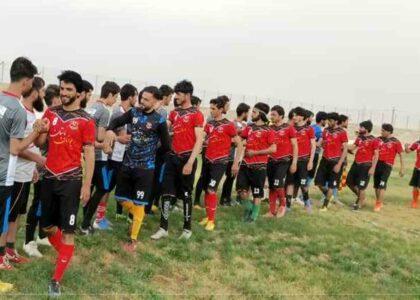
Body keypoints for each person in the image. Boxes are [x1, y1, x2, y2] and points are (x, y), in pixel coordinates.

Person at [36, 70, 95, 296]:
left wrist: (87, 185)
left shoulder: (86, 120)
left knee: (68, 231)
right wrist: (39, 129)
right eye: (62, 88)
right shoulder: (51, 113)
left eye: (69, 89)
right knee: (47, 228)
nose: (64, 93)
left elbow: (89, 154)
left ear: (79, 93)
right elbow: (43, 143)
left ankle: (56, 279)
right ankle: (66, 254)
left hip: (71, 181)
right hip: (49, 177)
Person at [103, 86, 170, 251]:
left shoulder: (159, 121)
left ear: (156, 101)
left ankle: (133, 239)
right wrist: (111, 131)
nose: (142, 102)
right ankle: (138, 217)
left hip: (145, 169)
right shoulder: (133, 113)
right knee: (119, 197)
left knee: (139, 203)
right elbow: (116, 121)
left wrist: (151, 153)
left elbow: (167, 145)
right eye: (141, 98)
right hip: (127, 164)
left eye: (147, 99)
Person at [0, 57, 45, 272]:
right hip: (8, 174)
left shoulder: (0, 100)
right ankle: (2, 258)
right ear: (27, 82)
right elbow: (16, 148)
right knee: (5, 217)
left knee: (10, 215)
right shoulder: (17, 110)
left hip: (9, 172)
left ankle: (7, 252)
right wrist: (36, 133)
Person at [151, 80, 204, 240]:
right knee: (166, 194)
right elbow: (164, 127)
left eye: (179, 94)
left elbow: (199, 140)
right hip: (172, 158)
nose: (176, 97)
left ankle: (187, 229)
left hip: (187, 159)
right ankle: (163, 228)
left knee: (186, 195)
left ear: (187, 95)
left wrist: (190, 162)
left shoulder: (197, 114)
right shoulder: (174, 113)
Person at [23, 84, 61, 258]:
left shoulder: (60, 117)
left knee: (47, 205)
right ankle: (28, 242)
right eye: (60, 98)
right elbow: (36, 144)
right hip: (42, 168)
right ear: (53, 100)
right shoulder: (43, 117)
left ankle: (41, 236)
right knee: (37, 204)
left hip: (54, 170)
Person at [81, 81, 120, 233]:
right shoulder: (104, 111)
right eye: (115, 96)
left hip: (88, 154)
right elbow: (101, 135)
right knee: (103, 188)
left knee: (90, 188)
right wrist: (113, 136)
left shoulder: (92, 108)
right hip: (99, 157)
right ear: (109, 94)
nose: (115, 100)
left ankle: (85, 223)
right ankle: (85, 224)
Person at [198, 97, 243, 230]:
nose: (211, 111)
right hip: (207, 161)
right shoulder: (210, 124)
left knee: (212, 190)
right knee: (206, 189)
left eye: (213, 108)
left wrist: (235, 164)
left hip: (220, 163)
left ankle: (212, 220)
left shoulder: (229, 125)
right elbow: (203, 138)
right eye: (210, 108)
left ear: (221, 109)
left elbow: (239, 145)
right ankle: (207, 216)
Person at [102, 84, 138, 222]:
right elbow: (123, 137)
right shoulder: (118, 113)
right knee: (106, 188)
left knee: (123, 187)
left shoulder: (131, 112)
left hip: (124, 157)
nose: (137, 99)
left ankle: (124, 214)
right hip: (114, 157)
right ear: (130, 97)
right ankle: (99, 218)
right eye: (135, 96)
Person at [237, 102, 276, 222]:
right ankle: (249, 209)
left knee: (257, 194)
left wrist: (255, 153)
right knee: (241, 192)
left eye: (254, 112)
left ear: (261, 114)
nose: (251, 114)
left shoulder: (269, 130)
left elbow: (273, 149)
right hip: (245, 164)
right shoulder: (249, 127)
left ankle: (253, 217)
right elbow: (240, 139)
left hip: (259, 167)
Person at [264, 105, 298, 218]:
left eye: (274, 114)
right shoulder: (270, 128)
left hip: (284, 161)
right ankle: (271, 211)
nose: (271, 116)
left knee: (278, 184)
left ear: (281, 116)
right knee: (272, 186)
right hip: (271, 160)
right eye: (271, 114)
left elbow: (295, 146)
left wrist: (294, 163)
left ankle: (283, 205)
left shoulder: (289, 128)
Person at [147, 84, 173, 214]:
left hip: (148, 150)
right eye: (170, 97)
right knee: (156, 180)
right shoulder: (162, 111)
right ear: (165, 97)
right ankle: (148, 207)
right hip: (157, 151)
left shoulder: (151, 108)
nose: (171, 100)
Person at [315, 112, 348, 211]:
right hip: (324, 160)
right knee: (318, 182)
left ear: (336, 121)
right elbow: (321, 144)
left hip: (335, 162)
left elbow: (345, 149)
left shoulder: (342, 132)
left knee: (331, 185)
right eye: (328, 120)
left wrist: (339, 164)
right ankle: (329, 196)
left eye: (330, 120)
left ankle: (325, 206)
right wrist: (322, 143)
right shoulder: (325, 130)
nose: (328, 122)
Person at [285, 107, 316, 212]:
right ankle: (288, 206)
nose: (294, 117)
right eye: (293, 115)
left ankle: (307, 203)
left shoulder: (309, 129)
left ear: (302, 117)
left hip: (303, 161)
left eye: (296, 115)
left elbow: (313, 146)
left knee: (303, 184)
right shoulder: (290, 128)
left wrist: (311, 161)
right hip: (291, 160)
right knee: (290, 183)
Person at [220, 103, 250, 206]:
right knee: (229, 178)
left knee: (232, 178)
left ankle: (227, 199)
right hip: (231, 156)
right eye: (248, 112)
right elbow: (230, 140)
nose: (248, 115)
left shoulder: (246, 126)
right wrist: (238, 140)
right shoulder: (232, 124)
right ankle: (224, 200)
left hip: (239, 156)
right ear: (244, 113)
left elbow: (246, 141)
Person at [346, 120, 380, 211]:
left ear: (367, 129)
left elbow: (376, 155)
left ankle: (360, 204)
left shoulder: (374, 140)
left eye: (361, 127)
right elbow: (353, 148)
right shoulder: (359, 138)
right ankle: (362, 199)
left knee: (361, 186)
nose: (359, 129)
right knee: (349, 182)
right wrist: (343, 146)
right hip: (356, 164)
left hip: (366, 166)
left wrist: (373, 168)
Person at [373, 124, 404, 212]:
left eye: (383, 131)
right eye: (381, 130)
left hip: (387, 165)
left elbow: (401, 155)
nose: (381, 132)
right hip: (378, 164)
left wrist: (402, 168)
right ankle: (379, 201)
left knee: (382, 185)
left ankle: (378, 204)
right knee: (376, 186)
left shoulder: (395, 142)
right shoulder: (378, 139)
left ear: (389, 131)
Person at [307, 111, 327, 186]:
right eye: (326, 120)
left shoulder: (311, 127)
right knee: (310, 175)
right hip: (314, 154)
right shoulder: (320, 131)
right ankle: (302, 195)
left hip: (306, 153)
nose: (327, 122)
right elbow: (318, 144)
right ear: (322, 120)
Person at [405, 139, 420, 208]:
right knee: (415, 185)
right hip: (417, 168)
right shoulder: (417, 143)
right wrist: (406, 147)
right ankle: (414, 201)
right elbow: (408, 151)